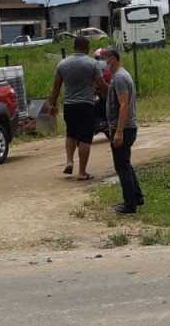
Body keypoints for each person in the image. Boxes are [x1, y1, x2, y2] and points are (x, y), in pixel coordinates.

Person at [47, 36, 104, 180]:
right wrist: (111, 93)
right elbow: (101, 84)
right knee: (85, 138)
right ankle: (82, 172)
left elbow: (56, 88)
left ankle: (69, 161)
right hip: (86, 105)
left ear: (74, 47)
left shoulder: (62, 64)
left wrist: (52, 104)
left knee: (71, 134)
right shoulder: (93, 64)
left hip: (69, 105)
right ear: (86, 47)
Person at [104, 47, 143, 214]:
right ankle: (137, 197)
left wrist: (118, 131)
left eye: (105, 58)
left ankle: (129, 205)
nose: (103, 62)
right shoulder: (120, 76)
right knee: (125, 163)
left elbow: (124, 104)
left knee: (121, 166)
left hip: (124, 128)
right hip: (126, 127)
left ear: (113, 58)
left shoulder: (120, 77)